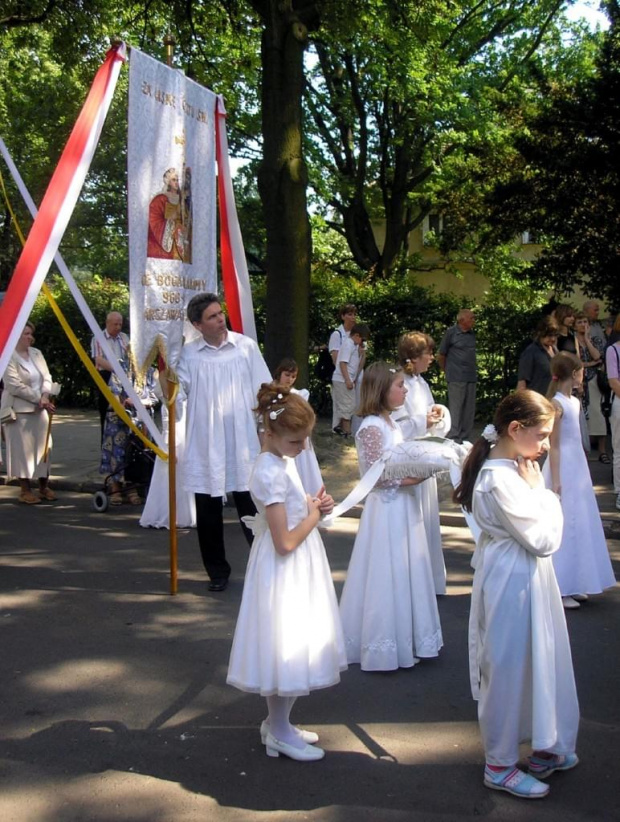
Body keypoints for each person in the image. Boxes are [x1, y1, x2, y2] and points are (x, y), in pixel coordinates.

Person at [454, 390, 579, 800]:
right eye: (541, 435)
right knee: (507, 666)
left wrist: (536, 485)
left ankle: (545, 742)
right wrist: (543, 492)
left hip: (527, 577)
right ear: (514, 429)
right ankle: (499, 763)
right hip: (511, 580)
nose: (545, 445)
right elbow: (545, 539)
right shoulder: (500, 479)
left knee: (541, 658)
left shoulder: (516, 470)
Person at [227, 385, 346, 761]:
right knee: (285, 646)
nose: (304, 447)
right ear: (270, 434)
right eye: (297, 441)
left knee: (296, 643)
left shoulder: (283, 461)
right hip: (284, 568)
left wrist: (313, 503)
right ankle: (276, 730)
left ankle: (279, 723)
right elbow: (285, 542)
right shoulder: (268, 472)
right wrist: (316, 515)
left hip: (298, 564)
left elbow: (294, 512)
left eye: (306, 438)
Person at [339, 362, 443, 671]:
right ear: (381, 390)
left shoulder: (392, 423)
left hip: (403, 506)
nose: (405, 389)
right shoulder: (372, 426)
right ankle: (382, 641)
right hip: (386, 508)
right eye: (399, 385)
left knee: (407, 567)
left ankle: (408, 635)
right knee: (386, 572)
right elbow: (378, 474)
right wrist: (419, 475)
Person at [173, 292, 272, 592]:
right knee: (208, 511)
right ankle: (217, 571)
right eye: (212, 317)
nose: (220, 320)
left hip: (242, 442)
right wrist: (167, 386)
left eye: (220, 313)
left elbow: (264, 390)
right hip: (206, 442)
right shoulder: (189, 354)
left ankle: (266, 567)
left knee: (251, 507)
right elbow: (177, 397)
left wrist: (268, 433)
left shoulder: (244, 347)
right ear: (196, 324)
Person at [542, 352, 615, 609]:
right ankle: (561, 585)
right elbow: (555, 445)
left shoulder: (573, 401)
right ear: (574, 374)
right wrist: (556, 479)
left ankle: (577, 580)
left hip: (577, 466)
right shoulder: (558, 404)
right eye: (581, 371)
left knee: (580, 521)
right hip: (564, 468)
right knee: (567, 522)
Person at [392, 331, 449, 595]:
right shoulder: (398, 382)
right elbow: (396, 426)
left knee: (427, 518)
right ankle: (412, 583)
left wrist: (437, 413)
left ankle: (428, 581)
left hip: (424, 452)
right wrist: (422, 422)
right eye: (427, 353)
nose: (430, 358)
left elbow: (427, 410)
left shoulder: (421, 382)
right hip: (409, 458)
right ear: (413, 357)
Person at [1, 322, 59, 504]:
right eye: (25, 333)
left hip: (41, 407)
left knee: (45, 447)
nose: (29, 337)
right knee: (21, 450)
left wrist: (45, 395)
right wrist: (39, 398)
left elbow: (47, 377)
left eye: (30, 333)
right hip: (19, 410)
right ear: (16, 335)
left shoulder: (36, 353)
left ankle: (44, 486)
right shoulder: (7, 356)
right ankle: (25, 489)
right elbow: (14, 385)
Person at [272, 358, 323, 496]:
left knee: (303, 469)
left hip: (297, 436)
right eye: (287, 375)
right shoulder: (271, 393)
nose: (289, 379)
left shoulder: (299, 394)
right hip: (280, 437)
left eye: (293, 376)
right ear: (279, 373)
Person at [437, 308, 477, 443]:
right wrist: (446, 371)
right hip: (456, 376)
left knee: (469, 409)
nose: (474, 320)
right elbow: (441, 355)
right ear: (462, 320)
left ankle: (465, 437)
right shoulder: (451, 333)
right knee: (456, 407)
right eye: (471, 318)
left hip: (471, 377)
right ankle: (454, 437)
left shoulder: (472, 334)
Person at [574, 313, 608, 463]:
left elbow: (597, 357)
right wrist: (588, 364)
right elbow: (576, 362)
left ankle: (602, 451)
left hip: (594, 380)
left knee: (597, 413)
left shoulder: (596, 339)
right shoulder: (571, 341)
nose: (583, 324)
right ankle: (582, 452)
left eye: (585, 321)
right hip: (579, 381)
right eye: (579, 322)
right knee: (580, 416)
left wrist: (587, 339)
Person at [91, 311, 130, 440]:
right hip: (106, 376)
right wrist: (117, 369)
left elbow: (130, 356)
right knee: (106, 412)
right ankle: (105, 445)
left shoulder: (124, 337)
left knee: (125, 410)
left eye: (120, 324)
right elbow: (98, 359)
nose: (118, 327)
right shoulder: (98, 338)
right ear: (107, 323)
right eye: (115, 324)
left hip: (124, 377)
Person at [331, 323, 369, 437]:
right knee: (348, 405)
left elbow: (357, 364)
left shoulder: (354, 346)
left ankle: (341, 429)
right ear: (357, 335)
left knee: (349, 405)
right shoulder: (348, 344)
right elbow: (342, 363)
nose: (363, 342)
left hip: (348, 379)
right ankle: (346, 432)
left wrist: (361, 354)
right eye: (363, 339)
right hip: (342, 380)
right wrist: (348, 380)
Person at [147, 167, 192, 262]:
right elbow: (153, 220)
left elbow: (187, 219)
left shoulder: (183, 200)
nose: (176, 182)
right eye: (173, 180)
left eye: (178, 180)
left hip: (182, 240)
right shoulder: (161, 198)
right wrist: (171, 221)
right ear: (168, 182)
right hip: (169, 243)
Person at [516, 316, 559, 396]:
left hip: (554, 399)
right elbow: (522, 382)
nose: (553, 339)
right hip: (537, 399)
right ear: (540, 333)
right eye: (549, 335)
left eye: (555, 335)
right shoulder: (530, 352)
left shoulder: (555, 351)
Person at [605, 336, 620, 510]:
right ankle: (619, 492)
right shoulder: (613, 350)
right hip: (619, 401)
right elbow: (613, 381)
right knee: (618, 449)